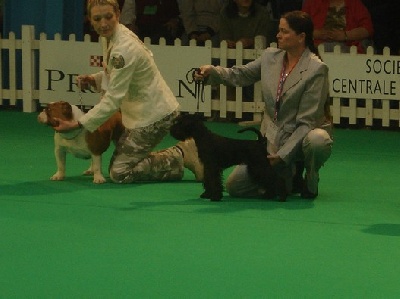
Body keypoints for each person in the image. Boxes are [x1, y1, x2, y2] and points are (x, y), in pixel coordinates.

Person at [54, 0, 204, 184]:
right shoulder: (113, 36)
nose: (103, 24)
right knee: (126, 162)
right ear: (90, 20)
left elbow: (113, 99)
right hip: (139, 115)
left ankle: (180, 155)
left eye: (108, 17)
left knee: (120, 172)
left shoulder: (123, 48)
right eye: (97, 18)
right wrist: (96, 79)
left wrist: (79, 124)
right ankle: (171, 154)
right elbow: (118, 74)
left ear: (118, 14)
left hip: (154, 117)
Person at [194, 10, 333, 199]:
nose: (278, 35)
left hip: (301, 136)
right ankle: (289, 177)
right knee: (235, 187)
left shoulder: (317, 69)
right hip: (272, 136)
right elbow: (241, 74)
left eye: (284, 31)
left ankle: (309, 174)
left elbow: (306, 121)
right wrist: (213, 72)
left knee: (318, 140)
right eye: (279, 30)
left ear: (301, 37)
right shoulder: (270, 57)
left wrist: (283, 155)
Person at [302, 0, 374, 54]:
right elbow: (299, 28)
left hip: (347, 47)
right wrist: (316, 33)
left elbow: (367, 29)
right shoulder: (312, 3)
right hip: (317, 46)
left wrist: (345, 35)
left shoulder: (354, 4)